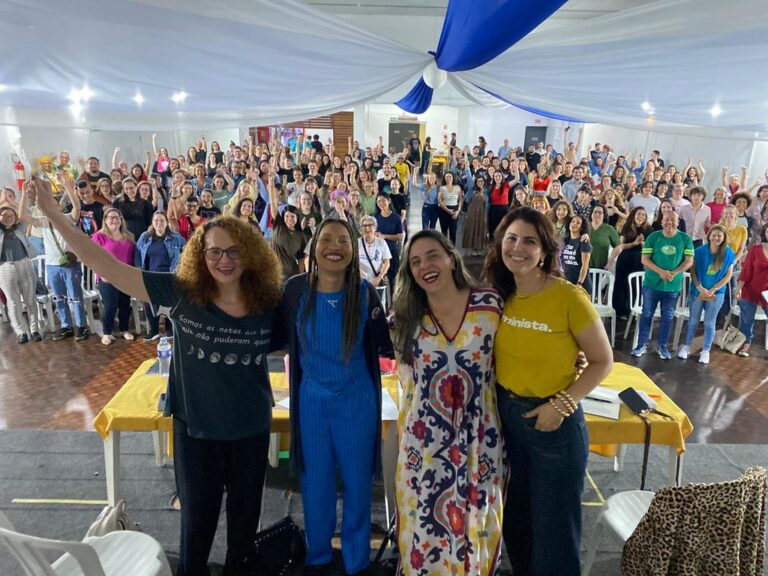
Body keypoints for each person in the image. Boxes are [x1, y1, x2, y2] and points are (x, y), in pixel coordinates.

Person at [30, 175, 283, 576]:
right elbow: (107, 266)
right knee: (196, 531)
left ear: (250, 254)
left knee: (243, 532)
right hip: (196, 432)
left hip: (249, 431)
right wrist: (54, 216)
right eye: (215, 251)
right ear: (200, 254)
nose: (224, 260)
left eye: (234, 251)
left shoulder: (269, 303)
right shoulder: (182, 292)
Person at [484, 207, 613, 576]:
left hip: (555, 427)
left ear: (544, 250)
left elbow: (602, 360)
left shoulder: (568, 297)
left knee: (555, 531)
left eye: (529, 241)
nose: (518, 247)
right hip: (508, 421)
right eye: (511, 239)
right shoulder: (498, 294)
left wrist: (562, 405)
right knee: (517, 522)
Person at [278, 219, 392, 576]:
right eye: (326, 239)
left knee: (358, 485)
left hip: (356, 400)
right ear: (313, 248)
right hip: (312, 401)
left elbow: (386, 347)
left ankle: (357, 562)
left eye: (343, 240)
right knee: (316, 483)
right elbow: (275, 336)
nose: (334, 246)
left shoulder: (365, 293)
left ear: (353, 250)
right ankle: (318, 557)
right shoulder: (295, 290)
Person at [391, 230, 506, 576]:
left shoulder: (490, 307)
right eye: (415, 262)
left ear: (452, 259)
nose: (424, 266)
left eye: (432, 255)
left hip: (478, 442)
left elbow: (520, 354)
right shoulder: (406, 319)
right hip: (425, 444)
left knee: (475, 524)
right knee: (424, 524)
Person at [20, 175, 90, 342]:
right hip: (52, 265)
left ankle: (82, 325)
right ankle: (66, 326)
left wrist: (67, 186)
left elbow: (77, 208)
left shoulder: (67, 218)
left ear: (59, 205)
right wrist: (23, 193)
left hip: (70, 264)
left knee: (75, 296)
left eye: (52, 202)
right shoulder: (43, 221)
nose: (49, 205)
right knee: (59, 296)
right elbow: (22, 216)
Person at [631, 211, 694, 359]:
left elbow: (689, 261)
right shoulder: (653, 237)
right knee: (647, 314)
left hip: (672, 286)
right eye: (666, 219)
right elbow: (645, 259)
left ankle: (663, 346)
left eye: (673, 220)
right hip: (651, 284)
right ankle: (641, 345)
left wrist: (674, 273)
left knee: (668, 316)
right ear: (661, 221)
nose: (669, 222)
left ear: (678, 222)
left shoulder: (685, 239)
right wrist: (661, 272)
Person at [677, 225, 735, 364]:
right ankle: (686, 346)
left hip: (716, 293)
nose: (716, 238)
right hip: (698, 291)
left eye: (719, 236)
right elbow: (693, 271)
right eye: (714, 235)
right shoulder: (699, 251)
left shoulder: (728, 253)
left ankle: (705, 350)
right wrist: (699, 287)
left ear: (724, 238)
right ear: (709, 236)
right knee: (693, 320)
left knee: (709, 322)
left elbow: (728, 276)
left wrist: (714, 289)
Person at [135, 211, 186, 341]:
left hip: (169, 275)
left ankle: (170, 328)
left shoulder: (175, 237)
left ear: (166, 222)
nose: (159, 223)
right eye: (156, 220)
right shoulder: (145, 237)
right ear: (152, 222)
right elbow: (137, 252)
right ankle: (154, 330)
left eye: (162, 220)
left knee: (170, 302)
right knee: (149, 303)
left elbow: (186, 249)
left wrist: (181, 266)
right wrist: (139, 268)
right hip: (150, 275)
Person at [92, 208, 137, 345]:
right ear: (105, 220)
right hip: (107, 278)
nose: (114, 220)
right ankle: (107, 332)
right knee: (110, 306)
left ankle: (124, 329)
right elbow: (93, 258)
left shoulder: (129, 236)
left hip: (125, 277)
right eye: (111, 217)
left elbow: (133, 258)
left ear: (121, 220)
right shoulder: (99, 236)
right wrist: (101, 274)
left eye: (117, 217)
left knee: (125, 305)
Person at [0, 203, 42, 343]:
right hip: (5, 267)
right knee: (13, 302)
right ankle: (21, 332)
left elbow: (27, 211)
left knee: (30, 300)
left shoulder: (19, 228)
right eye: (4, 215)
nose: (8, 218)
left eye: (11, 215)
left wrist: (13, 201)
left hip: (25, 264)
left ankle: (35, 329)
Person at [610, 207, 652, 318]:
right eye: (638, 214)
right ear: (634, 215)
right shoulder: (626, 227)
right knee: (621, 283)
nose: (641, 216)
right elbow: (621, 245)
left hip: (639, 259)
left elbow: (650, 248)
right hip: (625, 258)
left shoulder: (649, 229)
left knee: (635, 284)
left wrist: (642, 243)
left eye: (643, 214)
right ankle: (619, 311)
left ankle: (633, 311)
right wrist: (634, 243)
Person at [735, 224, 768, 357]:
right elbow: (746, 270)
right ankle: (745, 343)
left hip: (767, 292)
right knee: (747, 321)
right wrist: (739, 288)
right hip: (750, 290)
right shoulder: (755, 249)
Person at [268, 172, 307, 279]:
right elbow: (273, 204)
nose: (289, 219)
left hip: (291, 275)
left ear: (297, 218)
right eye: (287, 216)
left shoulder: (300, 236)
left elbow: (301, 259)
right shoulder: (279, 225)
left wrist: (300, 277)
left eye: (292, 216)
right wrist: (271, 185)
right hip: (273, 273)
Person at [374, 192, 404, 287]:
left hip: (391, 250)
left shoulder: (396, 217)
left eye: (383, 200)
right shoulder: (375, 217)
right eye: (378, 201)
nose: (381, 203)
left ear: (389, 201)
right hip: (378, 252)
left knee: (393, 279)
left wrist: (384, 236)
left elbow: (400, 236)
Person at [561, 215, 592, 292]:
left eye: (578, 223)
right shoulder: (565, 240)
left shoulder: (584, 241)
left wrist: (579, 284)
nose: (574, 224)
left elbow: (585, 266)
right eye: (573, 222)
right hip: (567, 283)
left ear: (581, 227)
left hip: (582, 284)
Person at [357, 215, 391, 288]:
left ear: (375, 228)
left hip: (376, 280)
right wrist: (359, 273)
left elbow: (387, 263)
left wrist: (379, 277)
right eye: (364, 225)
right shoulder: (357, 242)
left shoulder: (381, 242)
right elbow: (352, 261)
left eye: (370, 225)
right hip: (360, 280)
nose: (367, 228)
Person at [462, 175, 488, 255]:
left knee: (481, 229)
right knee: (472, 228)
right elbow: (466, 200)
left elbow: (488, 203)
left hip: (482, 212)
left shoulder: (486, 191)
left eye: (482, 181)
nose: (480, 183)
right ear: (476, 182)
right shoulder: (472, 190)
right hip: (472, 212)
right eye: (478, 181)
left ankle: (479, 248)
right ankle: (472, 248)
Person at [589, 204, 620, 270]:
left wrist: (610, 262)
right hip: (583, 267)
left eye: (600, 212)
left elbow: (618, 247)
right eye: (595, 212)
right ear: (591, 214)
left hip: (602, 268)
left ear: (604, 215)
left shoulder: (609, 229)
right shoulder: (584, 227)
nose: (597, 214)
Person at [437, 172, 463, 244]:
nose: (448, 178)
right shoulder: (442, 188)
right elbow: (439, 200)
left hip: (455, 210)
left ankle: (452, 247)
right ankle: (444, 247)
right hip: (444, 210)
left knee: (453, 231)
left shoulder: (457, 187)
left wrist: (458, 211)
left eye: (450, 176)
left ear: (453, 177)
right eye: (446, 177)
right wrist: (448, 210)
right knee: (444, 231)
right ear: (444, 178)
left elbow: (460, 200)